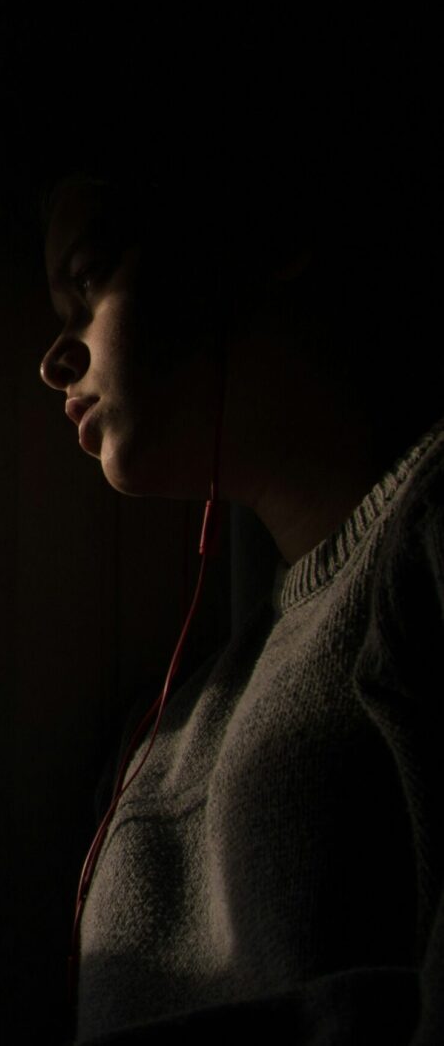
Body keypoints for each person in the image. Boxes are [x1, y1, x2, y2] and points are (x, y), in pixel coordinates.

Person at [36, 131, 444, 1043]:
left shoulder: (424, 547)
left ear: (253, 239)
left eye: (91, 278)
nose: (54, 359)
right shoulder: (171, 719)